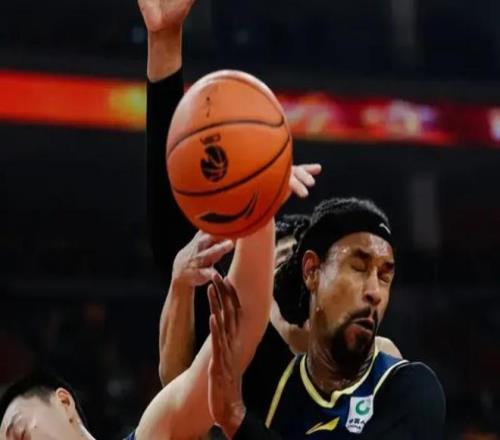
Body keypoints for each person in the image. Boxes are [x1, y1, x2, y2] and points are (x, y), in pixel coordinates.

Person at [208, 197, 446, 439]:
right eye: (358, 267)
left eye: (384, 277)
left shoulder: (412, 387)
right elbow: (183, 403)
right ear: (312, 271)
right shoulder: (275, 383)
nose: (375, 292)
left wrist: (236, 419)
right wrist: (186, 286)